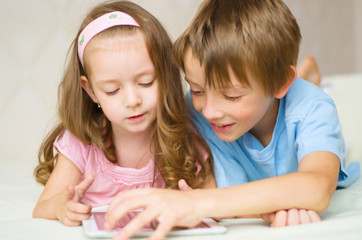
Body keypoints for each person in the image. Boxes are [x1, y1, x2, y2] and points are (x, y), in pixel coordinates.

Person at [104, 0, 359, 239]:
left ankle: (309, 78)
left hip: (304, 120)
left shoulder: (312, 109)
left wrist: (196, 203)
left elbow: (316, 187)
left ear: (281, 82)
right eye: (197, 90)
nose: (210, 111)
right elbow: (220, 192)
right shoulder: (197, 112)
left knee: (316, 109)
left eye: (231, 95)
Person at [32, 0, 215, 226]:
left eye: (146, 83)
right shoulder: (81, 143)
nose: (132, 100)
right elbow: (42, 207)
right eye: (113, 90)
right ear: (91, 91)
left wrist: (194, 202)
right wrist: (62, 206)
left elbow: (215, 202)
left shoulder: (185, 136)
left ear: (165, 76)